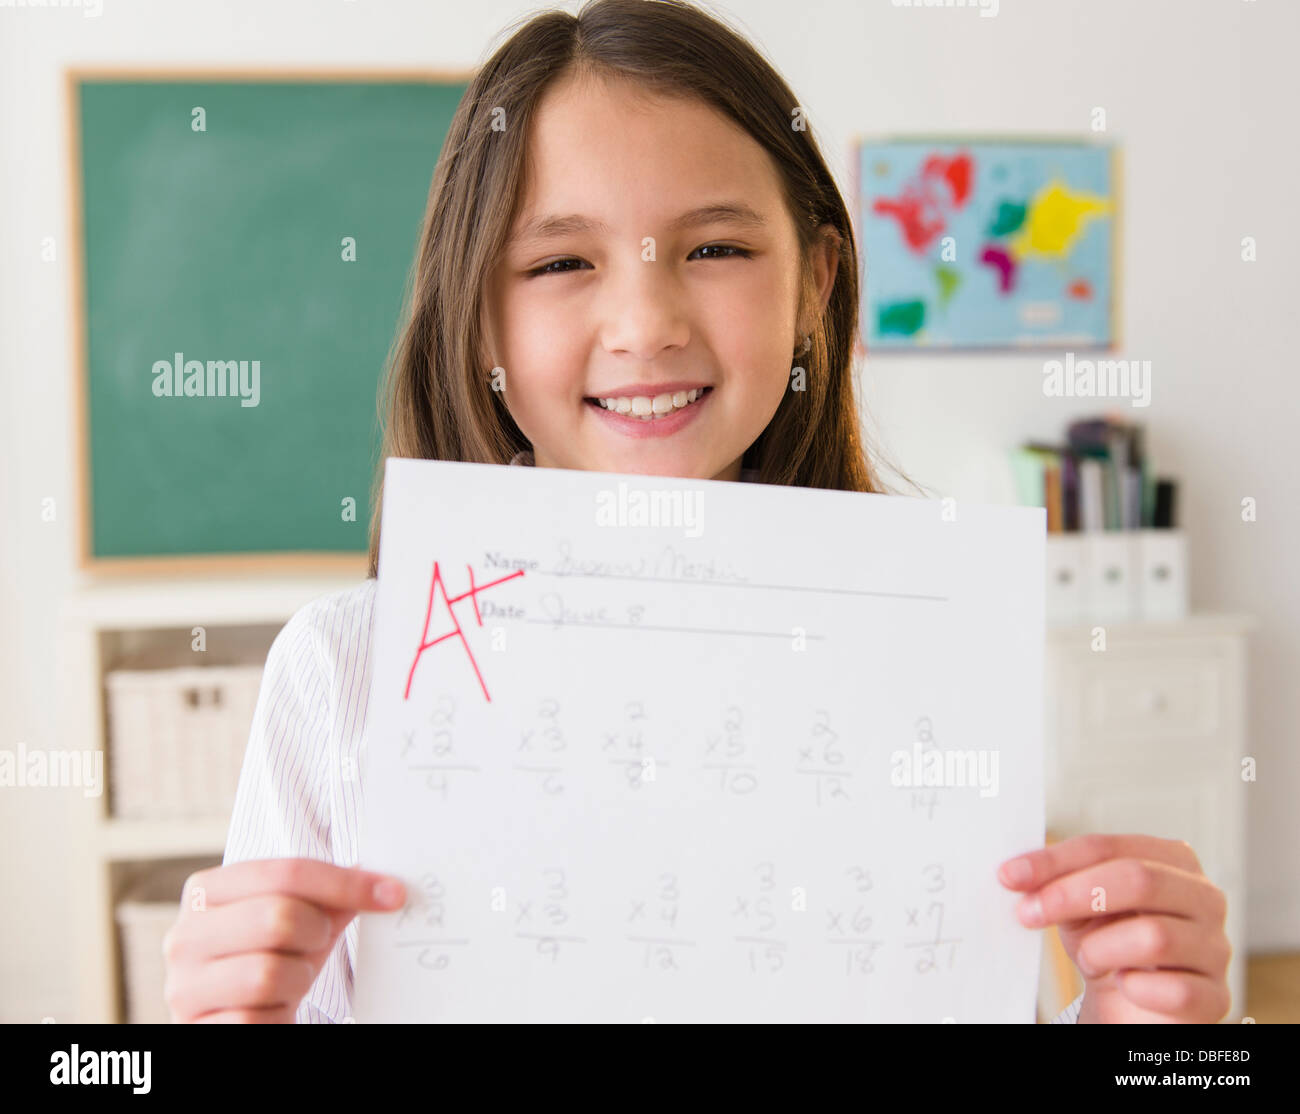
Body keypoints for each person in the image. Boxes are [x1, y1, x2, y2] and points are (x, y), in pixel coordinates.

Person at [161, 0, 1230, 1024]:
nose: (644, 322)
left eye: (715, 248)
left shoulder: (926, 655)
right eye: (559, 262)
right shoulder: (344, 673)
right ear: (478, 316)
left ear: (816, 282)